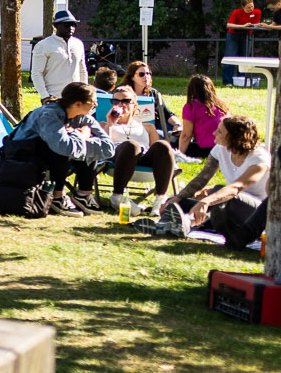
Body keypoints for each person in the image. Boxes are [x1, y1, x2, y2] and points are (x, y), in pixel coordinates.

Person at [0, 80, 113, 215]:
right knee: (65, 146)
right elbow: (62, 147)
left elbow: (109, 148)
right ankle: (57, 196)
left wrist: (82, 139)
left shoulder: (82, 117)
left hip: (48, 154)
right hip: (22, 155)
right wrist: (82, 135)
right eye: (93, 103)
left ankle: (84, 194)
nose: (96, 106)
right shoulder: (49, 115)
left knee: (88, 146)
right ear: (77, 103)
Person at [173, 115, 269, 250]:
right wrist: (177, 198)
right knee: (180, 202)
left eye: (219, 131)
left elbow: (236, 188)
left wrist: (205, 201)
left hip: (258, 212)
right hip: (228, 205)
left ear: (233, 137)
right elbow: (202, 178)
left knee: (222, 193)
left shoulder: (259, 158)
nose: (214, 133)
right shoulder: (220, 149)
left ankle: (189, 221)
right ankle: (179, 219)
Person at [100, 85, 176, 215]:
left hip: (144, 159)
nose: (120, 105)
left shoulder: (148, 127)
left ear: (135, 105)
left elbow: (157, 152)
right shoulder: (104, 125)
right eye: (116, 101)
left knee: (163, 145)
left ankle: (160, 199)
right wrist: (110, 124)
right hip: (119, 157)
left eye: (125, 101)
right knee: (131, 145)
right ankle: (117, 196)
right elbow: (103, 148)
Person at [31, 9, 90, 104]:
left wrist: (85, 92)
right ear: (56, 26)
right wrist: (45, 96)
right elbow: (36, 73)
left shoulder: (78, 44)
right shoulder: (44, 45)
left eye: (73, 24)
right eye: (66, 25)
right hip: (54, 97)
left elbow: (82, 70)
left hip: (76, 97)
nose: (71, 28)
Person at [121, 61, 177, 141]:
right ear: (132, 77)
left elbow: (167, 114)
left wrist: (177, 124)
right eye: (141, 74)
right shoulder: (122, 93)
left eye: (148, 74)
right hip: (128, 128)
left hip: (152, 128)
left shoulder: (153, 93)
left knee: (169, 132)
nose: (146, 77)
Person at [179, 74, 229, 160]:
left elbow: (186, 135)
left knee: (174, 143)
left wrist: (180, 154)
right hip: (225, 149)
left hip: (207, 149)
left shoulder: (191, 106)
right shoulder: (222, 105)